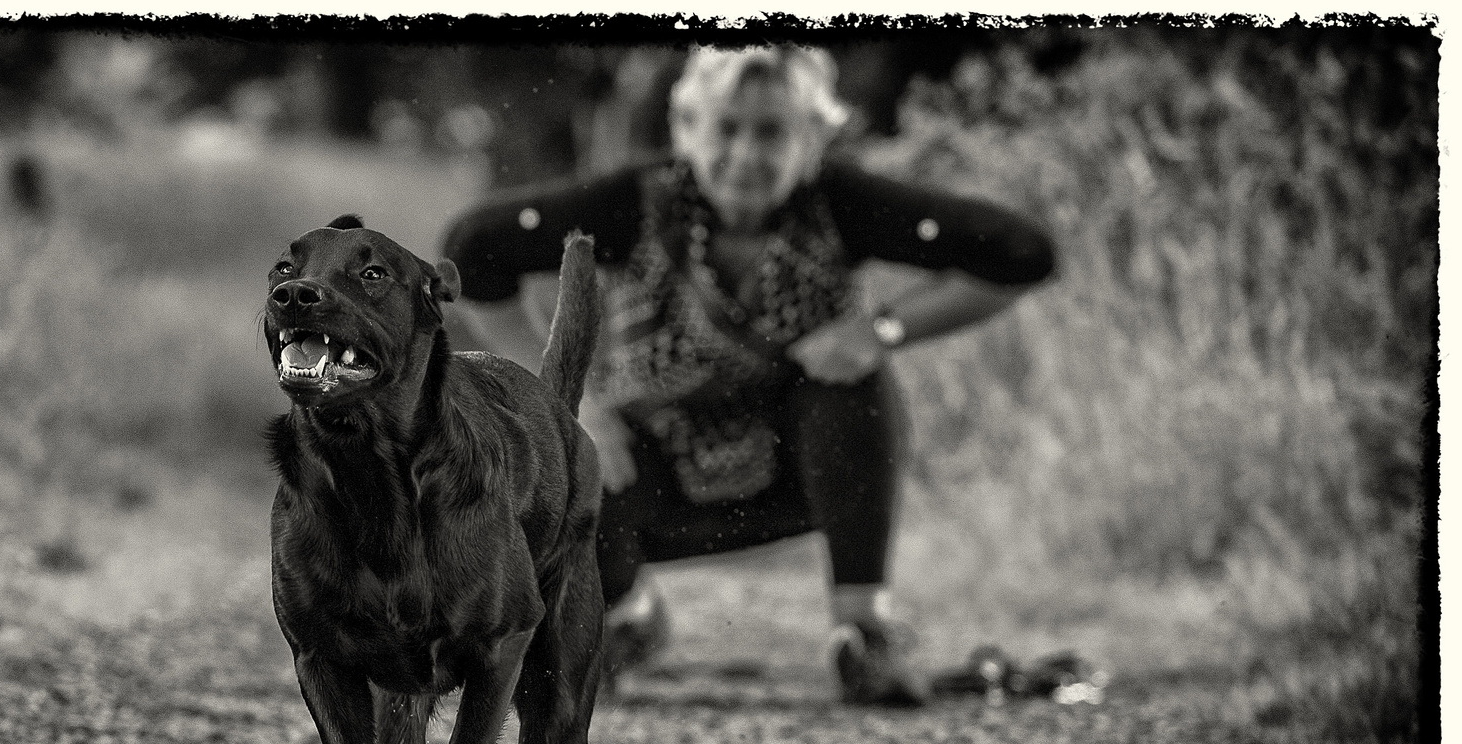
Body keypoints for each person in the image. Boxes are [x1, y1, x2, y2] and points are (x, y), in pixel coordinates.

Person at [441, 45, 1055, 706]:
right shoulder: (636, 201)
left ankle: (863, 633)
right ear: (687, 130)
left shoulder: (841, 203)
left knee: (854, 384)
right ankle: (627, 620)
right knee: (566, 460)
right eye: (725, 129)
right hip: (654, 480)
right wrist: (569, 404)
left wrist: (883, 330)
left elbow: (1020, 252)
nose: (745, 154)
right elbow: (476, 250)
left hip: (802, 473)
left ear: (813, 139)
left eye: (772, 132)